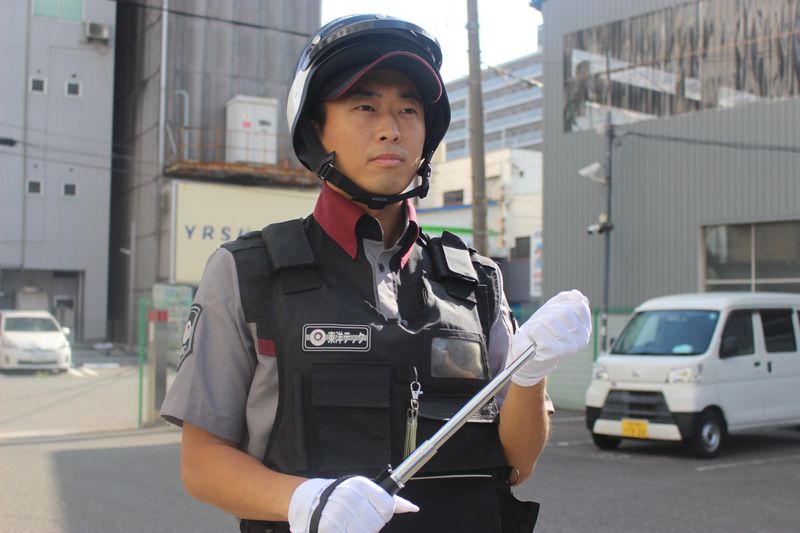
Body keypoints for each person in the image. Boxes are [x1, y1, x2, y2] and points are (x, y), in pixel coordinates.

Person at [161, 14, 592, 533]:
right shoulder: (248, 271)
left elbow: (518, 463)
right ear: (315, 128)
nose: (392, 128)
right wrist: (304, 500)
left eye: (409, 109)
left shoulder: (477, 281)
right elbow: (202, 463)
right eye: (364, 106)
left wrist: (531, 372)